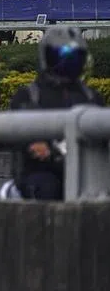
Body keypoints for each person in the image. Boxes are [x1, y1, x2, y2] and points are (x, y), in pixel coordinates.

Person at [9, 26, 104, 201]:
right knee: (48, 187)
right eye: (60, 54)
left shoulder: (91, 97)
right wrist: (37, 146)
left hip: (85, 170)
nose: (67, 60)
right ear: (46, 56)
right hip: (41, 172)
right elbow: (19, 135)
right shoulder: (29, 96)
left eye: (74, 55)